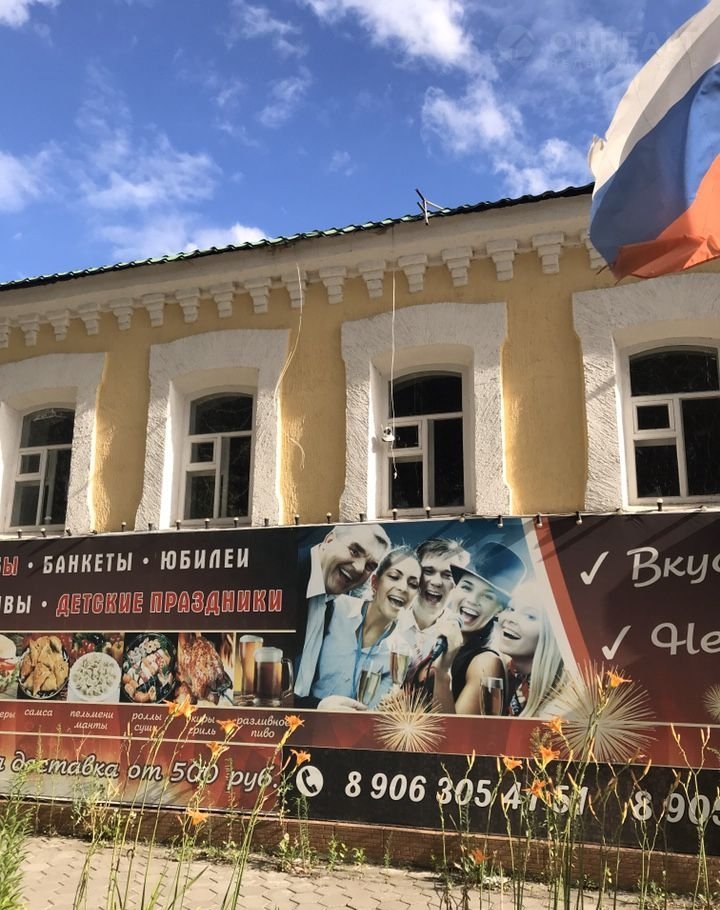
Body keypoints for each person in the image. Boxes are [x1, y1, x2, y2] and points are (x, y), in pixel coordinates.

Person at [310, 546, 421, 710]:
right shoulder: (334, 609)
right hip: (308, 717)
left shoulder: (402, 655)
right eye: (394, 577)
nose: (403, 588)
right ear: (375, 583)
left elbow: (371, 712)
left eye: (413, 584)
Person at [294, 523, 391, 697]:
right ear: (329, 540)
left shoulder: (330, 602)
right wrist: (318, 707)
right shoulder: (285, 574)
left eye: (370, 566)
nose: (359, 568)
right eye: (354, 551)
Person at [432, 542, 526, 715]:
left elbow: (455, 730)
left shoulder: (486, 663)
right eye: (466, 587)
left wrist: (443, 671)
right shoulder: (437, 641)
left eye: (487, 596)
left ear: (499, 609)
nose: (472, 600)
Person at [387, 538, 469, 685]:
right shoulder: (389, 616)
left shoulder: (460, 635)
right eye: (428, 571)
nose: (436, 582)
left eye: (448, 575)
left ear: (457, 584)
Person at [495, 585, 564, 718]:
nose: (510, 618)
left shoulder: (559, 703)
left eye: (530, 616)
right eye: (511, 608)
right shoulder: (503, 673)